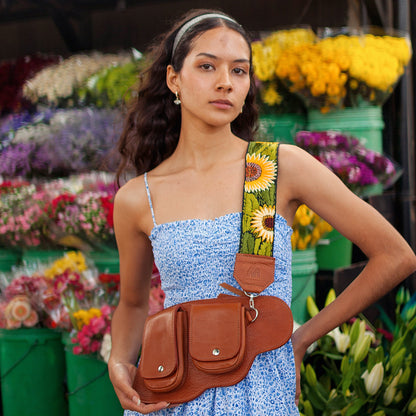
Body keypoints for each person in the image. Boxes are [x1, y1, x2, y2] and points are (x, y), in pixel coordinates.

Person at [108, 8, 416, 416]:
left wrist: (303, 337)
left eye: (239, 71)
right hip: (171, 395)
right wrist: (119, 360)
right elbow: (131, 303)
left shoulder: (277, 169)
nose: (225, 83)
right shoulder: (137, 198)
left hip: (260, 395)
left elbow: (396, 256)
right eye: (206, 66)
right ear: (173, 79)